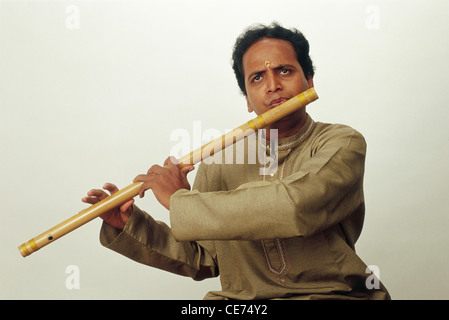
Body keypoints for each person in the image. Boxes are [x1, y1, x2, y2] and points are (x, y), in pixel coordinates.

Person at [82, 23, 390, 300]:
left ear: (308, 81)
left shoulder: (341, 143)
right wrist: (129, 225)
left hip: (331, 297)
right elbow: (205, 258)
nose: (273, 85)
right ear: (247, 99)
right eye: (257, 78)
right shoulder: (220, 163)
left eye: (284, 71)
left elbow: (296, 206)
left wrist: (180, 200)